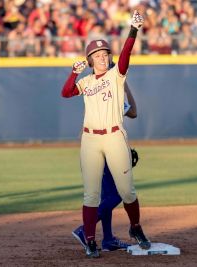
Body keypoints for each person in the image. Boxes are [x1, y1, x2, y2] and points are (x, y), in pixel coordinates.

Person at [61, 10, 149, 259]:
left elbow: (127, 54)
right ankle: (90, 240)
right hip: (90, 139)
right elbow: (66, 93)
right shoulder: (87, 82)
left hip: (113, 136)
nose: (102, 58)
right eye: (97, 55)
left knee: (127, 192)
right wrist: (73, 73)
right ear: (90, 60)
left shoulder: (116, 76)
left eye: (104, 54)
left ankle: (135, 227)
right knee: (91, 194)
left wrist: (133, 29)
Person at [72, 78, 138, 252]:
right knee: (117, 195)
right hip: (107, 150)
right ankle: (85, 229)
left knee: (107, 195)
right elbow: (134, 112)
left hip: (97, 147)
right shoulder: (111, 98)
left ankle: (108, 239)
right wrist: (126, 85)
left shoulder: (99, 94)